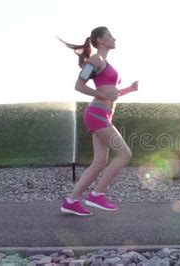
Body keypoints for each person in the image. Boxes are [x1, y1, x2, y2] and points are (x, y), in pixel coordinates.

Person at [57, 26, 138, 216]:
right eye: (110, 36)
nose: (114, 38)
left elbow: (111, 94)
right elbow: (79, 85)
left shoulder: (104, 62)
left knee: (100, 161)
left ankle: (71, 201)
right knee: (125, 154)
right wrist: (100, 93)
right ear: (100, 40)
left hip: (103, 115)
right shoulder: (95, 59)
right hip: (97, 115)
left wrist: (129, 90)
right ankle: (97, 194)